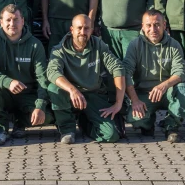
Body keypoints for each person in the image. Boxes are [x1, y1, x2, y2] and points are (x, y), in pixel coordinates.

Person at [46, 14, 126, 144]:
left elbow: (117, 68)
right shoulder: (59, 50)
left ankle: (85, 124)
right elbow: (52, 72)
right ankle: (67, 129)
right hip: (70, 96)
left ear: (92, 29)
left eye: (87, 28)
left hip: (93, 94)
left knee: (111, 135)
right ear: (72, 30)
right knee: (54, 88)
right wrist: (73, 90)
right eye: (79, 28)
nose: (83, 32)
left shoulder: (98, 44)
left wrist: (118, 103)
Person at [0, 4, 53, 145]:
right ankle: (1, 129)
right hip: (4, 92)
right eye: (8, 20)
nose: (12, 24)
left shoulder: (35, 45)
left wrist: (40, 106)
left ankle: (20, 122)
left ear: (23, 21)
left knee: (47, 117)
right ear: (1, 22)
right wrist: (8, 82)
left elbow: (42, 79)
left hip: (27, 93)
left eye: (16, 19)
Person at [123, 9, 185, 143]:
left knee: (183, 90)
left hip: (168, 91)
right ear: (143, 26)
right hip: (145, 93)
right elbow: (126, 73)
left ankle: (171, 126)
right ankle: (147, 123)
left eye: (157, 24)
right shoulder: (134, 45)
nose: (153, 29)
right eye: (149, 25)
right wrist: (135, 100)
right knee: (134, 118)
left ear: (164, 25)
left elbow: (181, 73)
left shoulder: (174, 44)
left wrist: (164, 85)